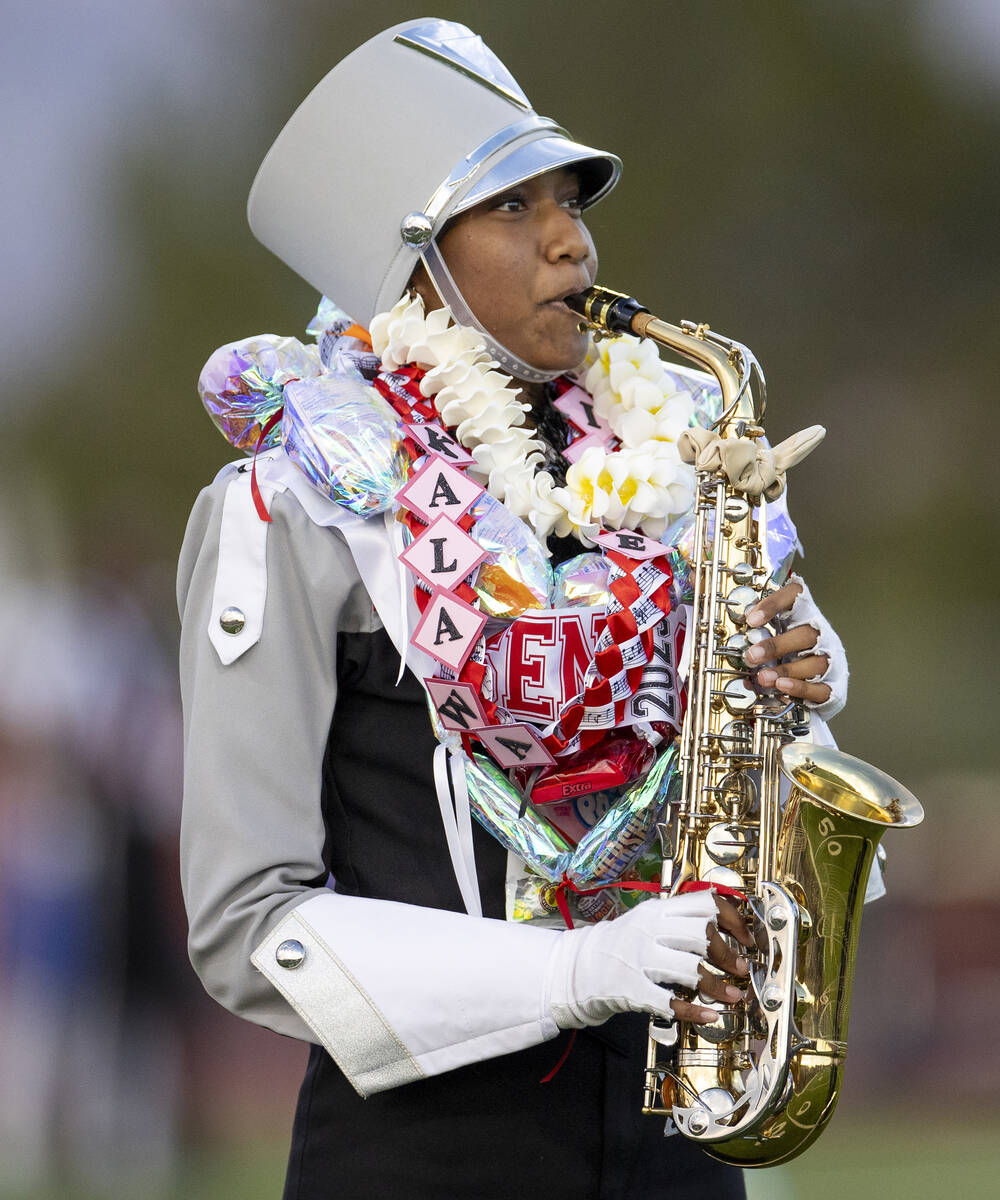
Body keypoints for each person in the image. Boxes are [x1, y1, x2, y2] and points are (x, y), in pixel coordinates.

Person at [178, 20, 860, 1200]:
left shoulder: (665, 462)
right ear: (407, 258)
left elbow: (746, 782)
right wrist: (574, 971)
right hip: (425, 1155)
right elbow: (248, 925)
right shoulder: (289, 502)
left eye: (571, 202)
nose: (571, 243)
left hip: (673, 1131)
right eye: (511, 208)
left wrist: (791, 694)